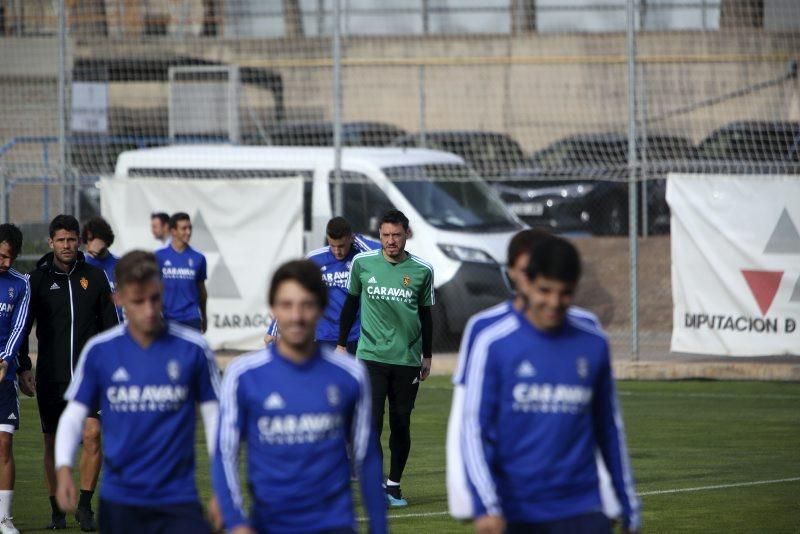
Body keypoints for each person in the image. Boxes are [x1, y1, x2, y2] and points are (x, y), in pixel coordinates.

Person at [457, 236, 641, 534]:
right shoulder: (493, 342)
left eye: (565, 293)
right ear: (526, 283)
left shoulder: (593, 342)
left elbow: (609, 428)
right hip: (517, 512)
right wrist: (485, 505)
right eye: (545, 291)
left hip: (583, 510)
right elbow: (475, 431)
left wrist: (628, 502)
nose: (554, 303)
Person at [211, 260, 386, 534]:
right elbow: (225, 452)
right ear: (273, 309)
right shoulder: (242, 374)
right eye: (287, 305)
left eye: (306, 304)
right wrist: (235, 522)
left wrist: (379, 528)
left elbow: (367, 457)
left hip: (335, 525)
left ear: (321, 307)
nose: (297, 316)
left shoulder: (350, 373)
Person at [54, 250, 220, 534]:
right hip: (120, 501)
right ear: (118, 299)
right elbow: (72, 417)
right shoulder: (100, 351)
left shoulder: (194, 348)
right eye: (138, 300)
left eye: (155, 298)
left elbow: (217, 420)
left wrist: (222, 489)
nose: (149, 310)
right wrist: (63, 468)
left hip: (178, 498)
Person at [18, 214, 119, 531]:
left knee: (92, 434)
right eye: (60, 240)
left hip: (90, 378)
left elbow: (111, 330)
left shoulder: (96, 277)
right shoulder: (36, 280)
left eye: (71, 240)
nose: (66, 245)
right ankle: (57, 511)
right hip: (52, 375)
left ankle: (85, 507)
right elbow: (22, 328)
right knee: (51, 442)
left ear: (80, 242)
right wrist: (24, 367)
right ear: (51, 242)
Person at [337, 209, 434, 507]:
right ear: (379, 235)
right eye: (386, 235)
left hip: (406, 360)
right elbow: (351, 305)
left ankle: (394, 485)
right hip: (370, 357)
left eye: (396, 235)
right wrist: (341, 345)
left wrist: (427, 355)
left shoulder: (422, 270)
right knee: (372, 422)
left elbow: (427, 316)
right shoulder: (362, 264)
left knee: (401, 422)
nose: (391, 241)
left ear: (406, 234)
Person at [264, 216, 380, 351]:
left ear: (350, 238)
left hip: (357, 335)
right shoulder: (315, 259)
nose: (337, 251)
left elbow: (384, 254)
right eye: (332, 246)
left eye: (341, 246)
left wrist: (358, 239)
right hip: (325, 335)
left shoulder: (361, 257)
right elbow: (292, 290)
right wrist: (273, 330)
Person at [0, 224, 31, 534]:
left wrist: (7, 360)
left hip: (4, 378)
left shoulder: (22, 283)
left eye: (10, 257)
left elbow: (20, 328)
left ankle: (4, 518)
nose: (5, 263)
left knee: (4, 444)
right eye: (0, 256)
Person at [155, 213, 208, 332]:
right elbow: (153, 289)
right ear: (173, 231)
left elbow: (202, 292)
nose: (188, 232)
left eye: (190, 228)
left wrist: (204, 316)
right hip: (167, 318)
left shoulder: (199, 258)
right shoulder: (159, 256)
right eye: (184, 228)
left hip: (192, 319)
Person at [81, 217, 123, 322]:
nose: (90, 244)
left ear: (105, 239)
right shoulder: (81, 265)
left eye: (93, 238)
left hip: (117, 324)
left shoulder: (121, 264)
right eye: (88, 239)